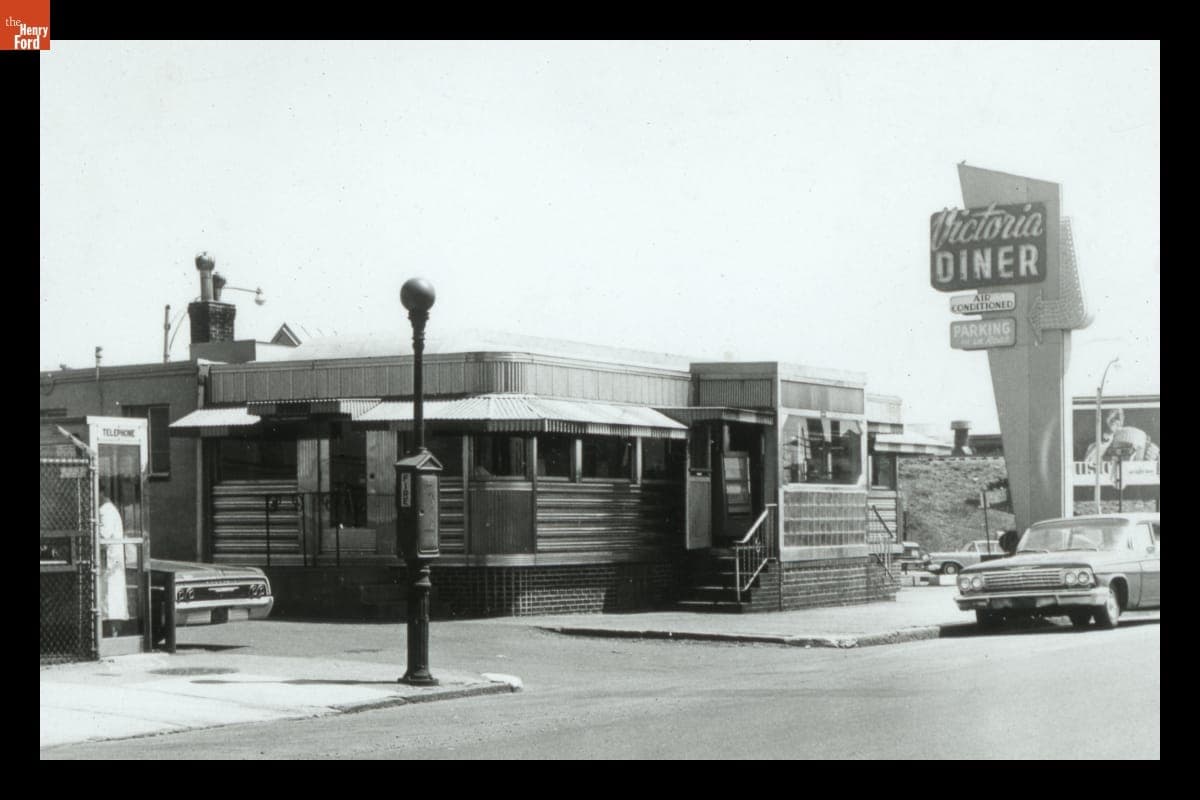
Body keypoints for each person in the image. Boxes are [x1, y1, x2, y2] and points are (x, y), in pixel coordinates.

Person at [98, 490, 129, 635]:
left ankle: (112, 633)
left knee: (110, 599)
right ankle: (112, 632)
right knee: (111, 599)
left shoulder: (106, 510)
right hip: (111, 564)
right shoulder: (108, 509)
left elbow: (102, 537)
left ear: (101, 493)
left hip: (110, 564)